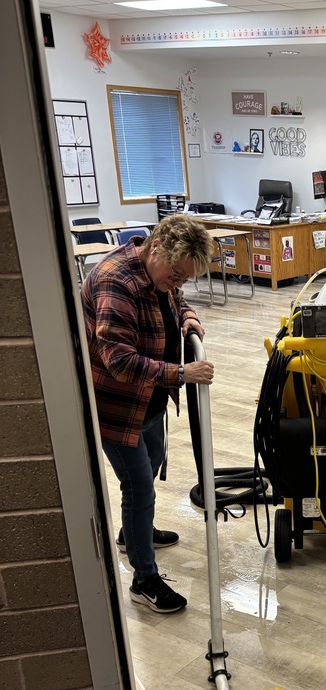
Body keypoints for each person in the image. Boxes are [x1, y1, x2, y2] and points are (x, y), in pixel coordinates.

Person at [81, 214, 216, 614]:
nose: (180, 283)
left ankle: (133, 534)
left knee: (152, 463)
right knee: (139, 487)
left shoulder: (160, 271)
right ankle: (144, 579)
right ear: (156, 248)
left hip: (150, 401)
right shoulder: (115, 282)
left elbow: (173, 298)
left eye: (186, 278)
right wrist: (181, 373)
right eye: (177, 275)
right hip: (118, 407)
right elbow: (118, 360)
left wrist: (187, 314)